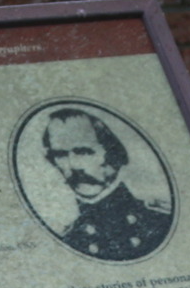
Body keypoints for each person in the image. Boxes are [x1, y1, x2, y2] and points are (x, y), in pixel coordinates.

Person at [41, 108, 171, 261]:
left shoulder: (159, 219)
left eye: (84, 152)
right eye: (60, 155)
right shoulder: (69, 238)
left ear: (112, 154)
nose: (73, 165)